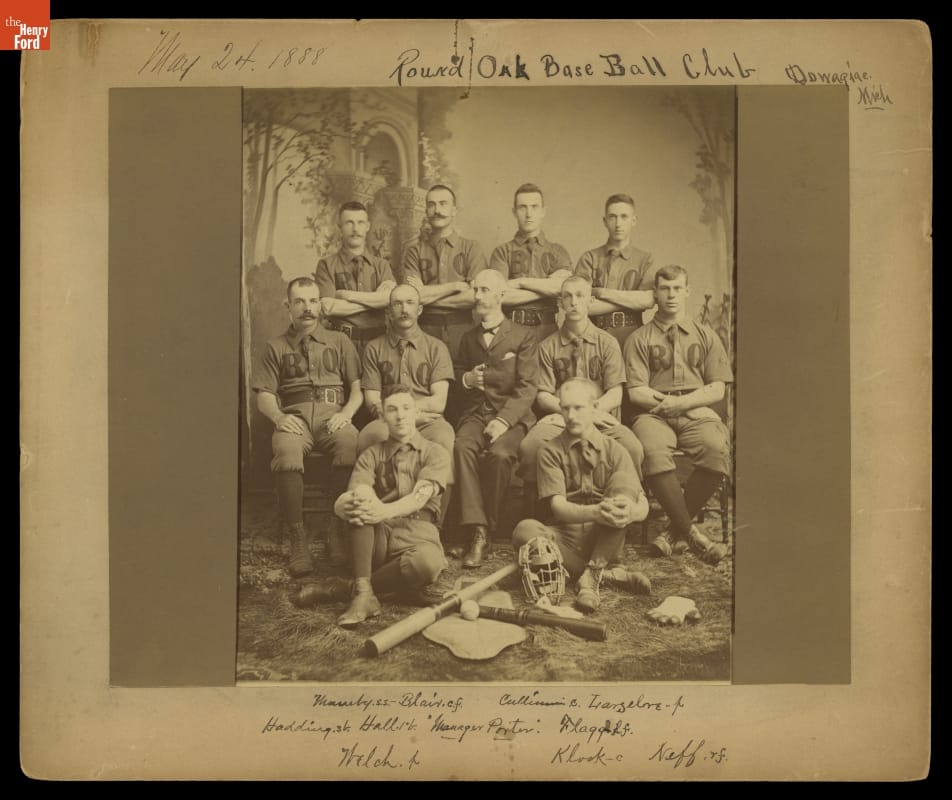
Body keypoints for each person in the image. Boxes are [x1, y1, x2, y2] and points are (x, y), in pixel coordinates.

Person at [301, 384, 450, 628]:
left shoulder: (435, 453)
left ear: (416, 413)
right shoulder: (371, 454)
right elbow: (359, 490)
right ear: (382, 416)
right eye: (392, 409)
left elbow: (420, 497)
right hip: (377, 537)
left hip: (419, 536)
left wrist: (384, 510)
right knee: (359, 504)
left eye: (406, 408)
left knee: (426, 563)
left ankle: (351, 589)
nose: (400, 415)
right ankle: (366, 592)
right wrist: (350, 502)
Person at [252, 277, 363, 576]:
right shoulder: (275, 346)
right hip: (296, 415)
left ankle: (335, 529)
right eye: (300, 302)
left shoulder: (340, 341)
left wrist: (348, 413)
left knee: (350, 444)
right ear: (288, 306)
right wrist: (279, 418)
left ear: (319, 305)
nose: (307, 308)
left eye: (313, 301)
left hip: (333, 414)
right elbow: (264, 395)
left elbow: (357, 388)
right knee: (286, 450)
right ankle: (297, 537)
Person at [511, 378, 651, 613]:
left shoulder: (616, 450)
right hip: (565, 542)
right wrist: (597, 512)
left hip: (606, 537)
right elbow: (558, 508)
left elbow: (642, 503)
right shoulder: (549, 451)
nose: (571, 415)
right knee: (524, 530)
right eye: (565, 408)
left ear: (595, 408)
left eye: (578, 408)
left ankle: (594, 571)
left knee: (624, 481)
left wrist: (631, 512)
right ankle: (602, 575)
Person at [624, 264, 732, 565]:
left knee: (716, 448)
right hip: (654, 413)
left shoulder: (706, 335)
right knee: (651, 449)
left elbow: (717, 388)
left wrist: (684, 404)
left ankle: (672, 532)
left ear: (687, 292)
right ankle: (692, 534)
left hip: (696, 409)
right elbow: (636, 392)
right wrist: (668, 403)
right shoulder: (639, 338)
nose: (670, 295)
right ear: (655, 293)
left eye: (676, 289)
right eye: (664, 289)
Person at [518, 276, 645, 517]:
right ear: (560, 302)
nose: (573, 302)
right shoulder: (547, 346)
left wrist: (588, 415)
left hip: (600, 418)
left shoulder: (607, 343)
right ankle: (543, 512)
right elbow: (543, 395)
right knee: (530, 446)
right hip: (560, 418)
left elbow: (616, 393)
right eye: (567, 296)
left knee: (632, 447)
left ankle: (622, 509)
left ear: (591, 301)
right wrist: (568, 413)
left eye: (580, 296)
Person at [453, 269, 539, 567]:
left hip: (512, 416)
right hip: (476, 414)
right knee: (462, 446)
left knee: (500, 456)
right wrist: (465, 379)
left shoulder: (523, 336)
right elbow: (457, 373)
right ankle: (477, 531)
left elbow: (528, 387)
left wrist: (503, 421)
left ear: (501, 295)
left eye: (485, 290)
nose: (478, 296)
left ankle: (484, 528)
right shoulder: (467, 338)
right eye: (476, 290)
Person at [358, 283, 456, 524]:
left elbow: (439, 402)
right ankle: (374, 518)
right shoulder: (374, 348)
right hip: (388, 420)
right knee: (367, 437)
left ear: (420, 309)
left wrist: (410, 415)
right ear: (389, 311)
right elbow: (372, 400)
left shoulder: (436, 347)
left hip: (429, 422)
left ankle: (435, 525)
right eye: (397, 304)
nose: (404, 309)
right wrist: (402, 415)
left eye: (410, 303)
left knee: (444, 438)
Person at [402, 184, 493, 417]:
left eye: (443, 204)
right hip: (426, 329)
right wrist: (454, 287)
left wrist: (426, 295)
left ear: (455, 210)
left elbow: (474, 297)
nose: (437, 210)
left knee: (464, 392)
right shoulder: (414, 252)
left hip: (462, 330)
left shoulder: (470, 248)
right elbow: (411, 297)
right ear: (426, 210)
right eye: (431, 204)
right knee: (428, 389)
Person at [490, 182, 573, 343]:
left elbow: (562, 289)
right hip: (510, 331)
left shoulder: (558, 251)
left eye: (534, 207)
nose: (529, 214)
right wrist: (546, 288)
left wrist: (520, 282)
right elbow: (500, 296)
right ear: (514, 212)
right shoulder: (502, 252)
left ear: (543, 211)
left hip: (548, 331)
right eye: (523, 207)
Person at [314, 201, 396, 360]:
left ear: (368, 226)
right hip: (340, 345)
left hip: (379, 344)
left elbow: (389, 300)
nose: (355, 229)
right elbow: (328, 308)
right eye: (349, 223)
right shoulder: (326, 265)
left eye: (360, 222)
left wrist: (346, 296)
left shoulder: (382, 265)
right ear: (340, 227)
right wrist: (374, 302)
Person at [574, 193, 656, 346]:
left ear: (634, 221)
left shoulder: (645, 259)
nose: (618, 223)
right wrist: (631, 300)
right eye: (612, 217)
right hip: (593, 336)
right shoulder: (589, 258)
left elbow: (648, 300)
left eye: (624, 217)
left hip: (632, 337)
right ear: (605, 221)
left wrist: (601, 293)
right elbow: (582, 306)